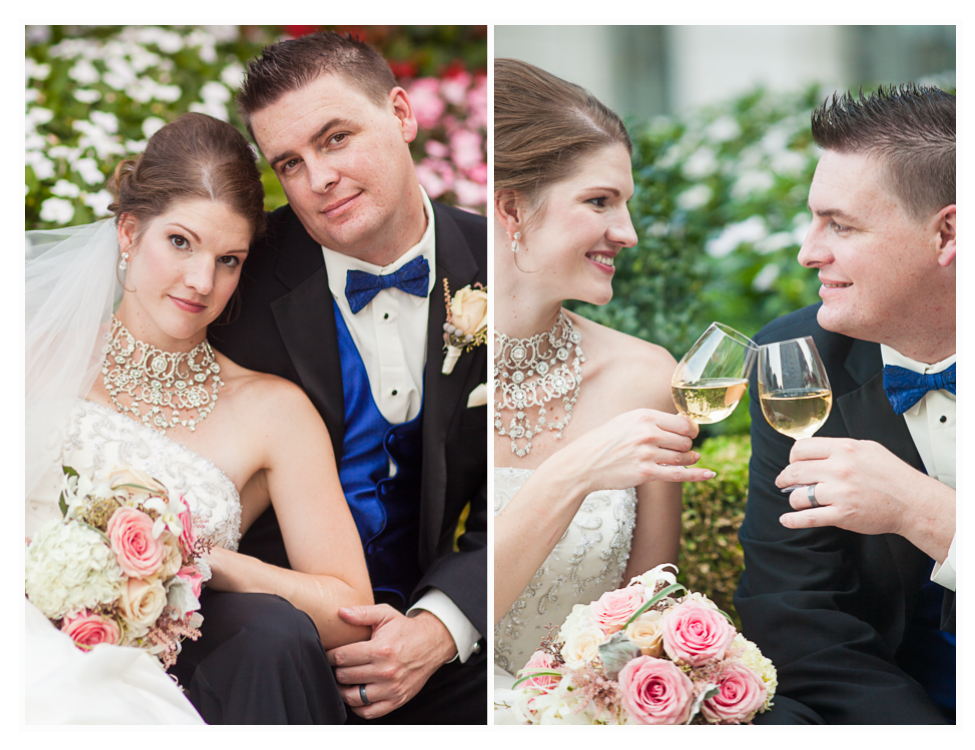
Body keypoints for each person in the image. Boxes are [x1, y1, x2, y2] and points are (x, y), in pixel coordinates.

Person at [25, 112, 374, 725]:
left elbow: (349, 611)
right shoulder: (32, 353)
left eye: (229, 259)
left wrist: (195, 557)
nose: (201, 282)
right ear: (129, 232)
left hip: (167, 684)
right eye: (180, 242)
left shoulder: (273, 411)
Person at [209, 31, 487, 723]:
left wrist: (436, 629)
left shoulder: (502, 267)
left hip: (427, 616)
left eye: (335, 139)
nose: (316, 180)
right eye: (290, 163)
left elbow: (524, 485)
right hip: (262, 628)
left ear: (401, 112)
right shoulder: (234, 281)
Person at [491, 59, 715, 701]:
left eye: (627, 204)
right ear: (511, 208)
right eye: (599, 202)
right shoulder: (430, 366)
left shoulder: (646, 378)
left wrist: (575, 707)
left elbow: (646, 619)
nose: (629, 233)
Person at [734, 85, 956, 724]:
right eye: (812, 219)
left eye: (840, 224)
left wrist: (921, 510)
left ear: (947, 232)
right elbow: (791, 609)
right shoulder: (799, 358)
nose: (808, 251)